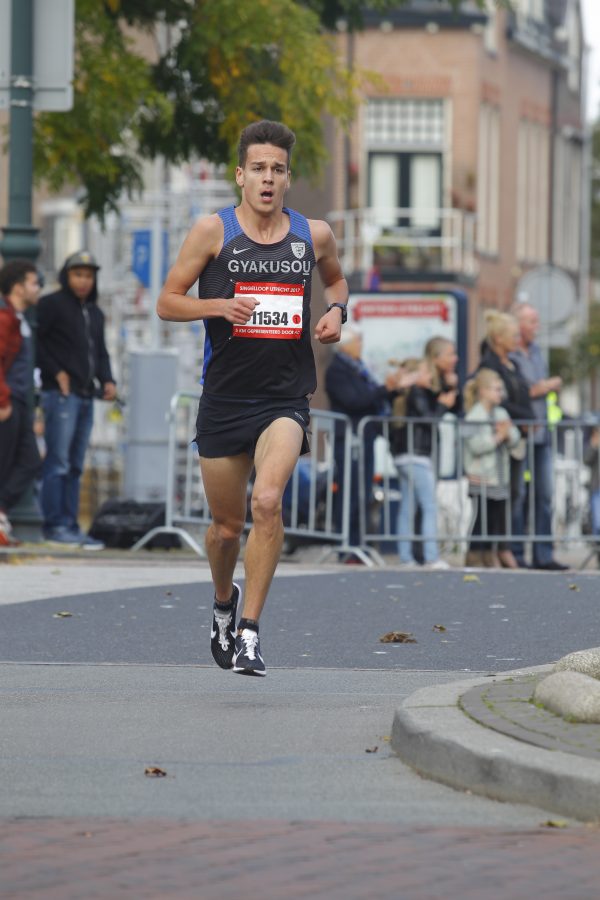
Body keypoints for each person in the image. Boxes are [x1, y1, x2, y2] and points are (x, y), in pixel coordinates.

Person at [156, 119, 348, 677]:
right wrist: (218, 307)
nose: (268, 179)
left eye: (278, 170)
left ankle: (249, 633)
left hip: (284, 399)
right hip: (224, 399)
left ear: (289, 178)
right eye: (258, 169)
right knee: (225, 529)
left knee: (267, 502)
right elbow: (168, 302)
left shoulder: (313, 235)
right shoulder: (211, 232)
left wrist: (336, 313)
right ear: (241, 175)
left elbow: (336, 283)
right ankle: (223, 604)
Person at [36, 251, 116, 548]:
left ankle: (69, 525)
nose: (83, 281)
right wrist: (56, 372)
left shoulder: (94, 312)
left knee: (75, 465)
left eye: (88, 275)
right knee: (57, 462)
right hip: (60, 396)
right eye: (77, 274)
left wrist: (108, 380)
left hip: (85, 396)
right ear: (66, 276)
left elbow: (101, 352)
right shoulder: (51, 305)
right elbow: (37, 343)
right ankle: (53, 525)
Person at [325, 325, 413, 558]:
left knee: (363, 492)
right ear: (346, 345)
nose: (361, 346)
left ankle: (360, 543)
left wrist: (391, 391)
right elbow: (356, 400)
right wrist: (386, 389)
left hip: (365, 437)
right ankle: (348, 545)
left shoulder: (359, 369)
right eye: (358, 342)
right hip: (350, 439)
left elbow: (372, 397)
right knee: (350, 492)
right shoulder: (337, 371)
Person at [510, 303, 568, 570]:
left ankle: (543, 554)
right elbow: (516, 392)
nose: (537, 327)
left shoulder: (537, 353)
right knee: (519, 495)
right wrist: (542, 387)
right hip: (520, 435)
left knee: (544, 495)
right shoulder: (510, 356)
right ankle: (517, 553)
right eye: (532, 321)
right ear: (518, 324)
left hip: (543, 434)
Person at [390, 357, 454, 569]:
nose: (430, 378)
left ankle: (406, 557)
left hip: (402, 457)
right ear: (416, 376)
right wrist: (444, 406)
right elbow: (429, 418)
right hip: (416, 456)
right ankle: (431, 556)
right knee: (429, 505)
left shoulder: (403, 395)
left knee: (407, 507)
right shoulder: (416, 394)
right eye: (427, 374)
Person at [0, 260, 43, 546]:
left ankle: (1, 512)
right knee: (4, 462)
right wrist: (3, 400)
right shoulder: (5, 318)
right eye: (33, 283)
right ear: (17, 287)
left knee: (28, 460)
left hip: (19, 402)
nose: (38, 288)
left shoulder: (19, 318)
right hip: (8, 400)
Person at [462, 369, 521, 568]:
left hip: (498, 476)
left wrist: (509, 435)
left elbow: (515, 436)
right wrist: (498, 437)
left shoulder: (501, 413)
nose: (500, 394)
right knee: (480, 519)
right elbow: (475, 445)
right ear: (484, 391)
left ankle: (489, 554)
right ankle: (474, 555)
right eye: (496, 389)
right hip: (480, 477)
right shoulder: (473, 416)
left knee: (495, 519)